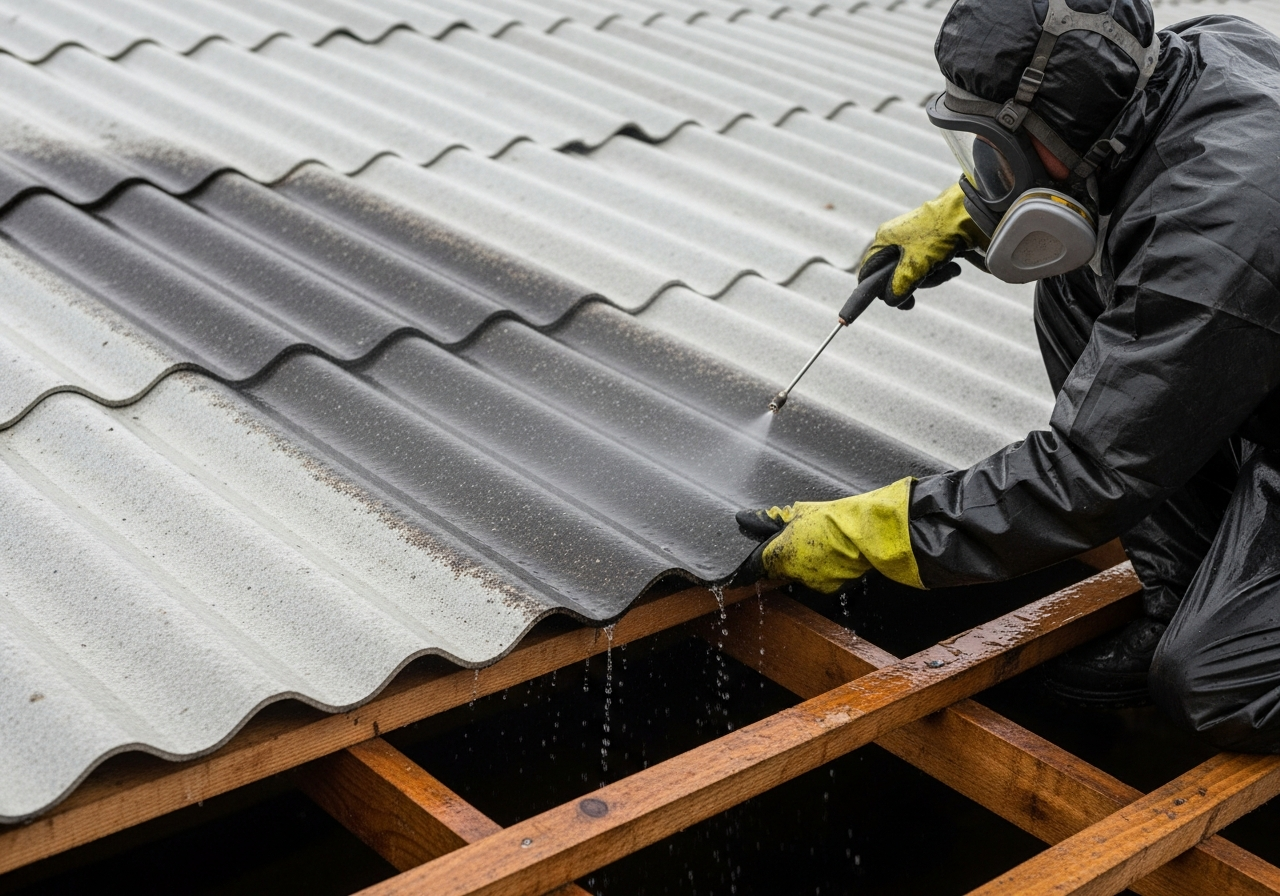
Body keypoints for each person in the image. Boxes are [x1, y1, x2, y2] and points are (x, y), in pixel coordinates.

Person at [737, 0, 1280, 752]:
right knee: (1073, 278)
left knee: (1214, 684)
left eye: (996, 151)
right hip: (1254, 341)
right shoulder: (1184, 59)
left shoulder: (1217, 231)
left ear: (1062, 124)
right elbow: (1108, 158)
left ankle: (1215, 632)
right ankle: (1185, 589)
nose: (988, 174)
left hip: (1241, 313)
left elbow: (1086, 472)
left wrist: (885, 531)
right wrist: (967, 209)